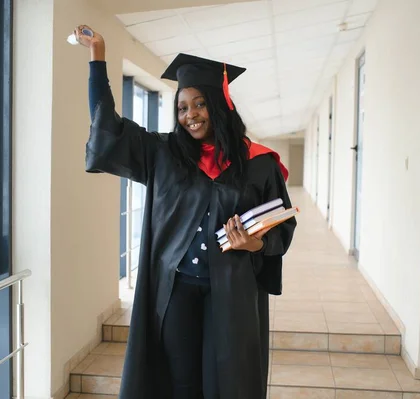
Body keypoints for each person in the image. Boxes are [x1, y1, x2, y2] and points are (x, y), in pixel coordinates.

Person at [74, 25, 297, 399]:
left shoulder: (259, 164)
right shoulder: (165, 155)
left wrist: (254, 245)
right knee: (180, 380)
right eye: (182, 107)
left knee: (227, 381)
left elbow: (281, 233)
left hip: (231, 292)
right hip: (177, 289)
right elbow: (108, 129)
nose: (190, 115)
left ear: (219, 104)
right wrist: (98, 56)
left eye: (199, 104)